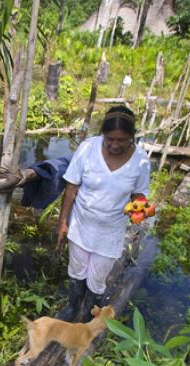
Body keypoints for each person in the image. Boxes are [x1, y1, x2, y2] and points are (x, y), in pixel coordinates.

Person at [56, 105, 151, 321]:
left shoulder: (141, 161)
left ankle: (89, 315)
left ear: (132, 137)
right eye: (109, 139)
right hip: (81, 224)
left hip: (111, 231)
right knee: (76, 270)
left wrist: (139, 208)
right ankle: (73, 308)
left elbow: (140, 195)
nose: (114, 145)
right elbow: (71, 188)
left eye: (122, 140)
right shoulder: (88, 149)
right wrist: (63, 222)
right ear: (103, 134)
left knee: (97, 278)